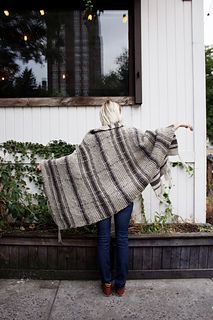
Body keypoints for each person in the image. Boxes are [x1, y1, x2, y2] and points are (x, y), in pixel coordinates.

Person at [37, 99, 193, 297]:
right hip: (123, 196)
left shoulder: (91, 139)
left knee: (103, 239)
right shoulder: (129, 134)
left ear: (103, 115)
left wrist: (48, 166)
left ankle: (107, 284)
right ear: (117, 114)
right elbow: (153, 139)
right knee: (122, 239)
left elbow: (73, 161)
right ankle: (120, 286)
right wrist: (175, 126)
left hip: (101, 199)